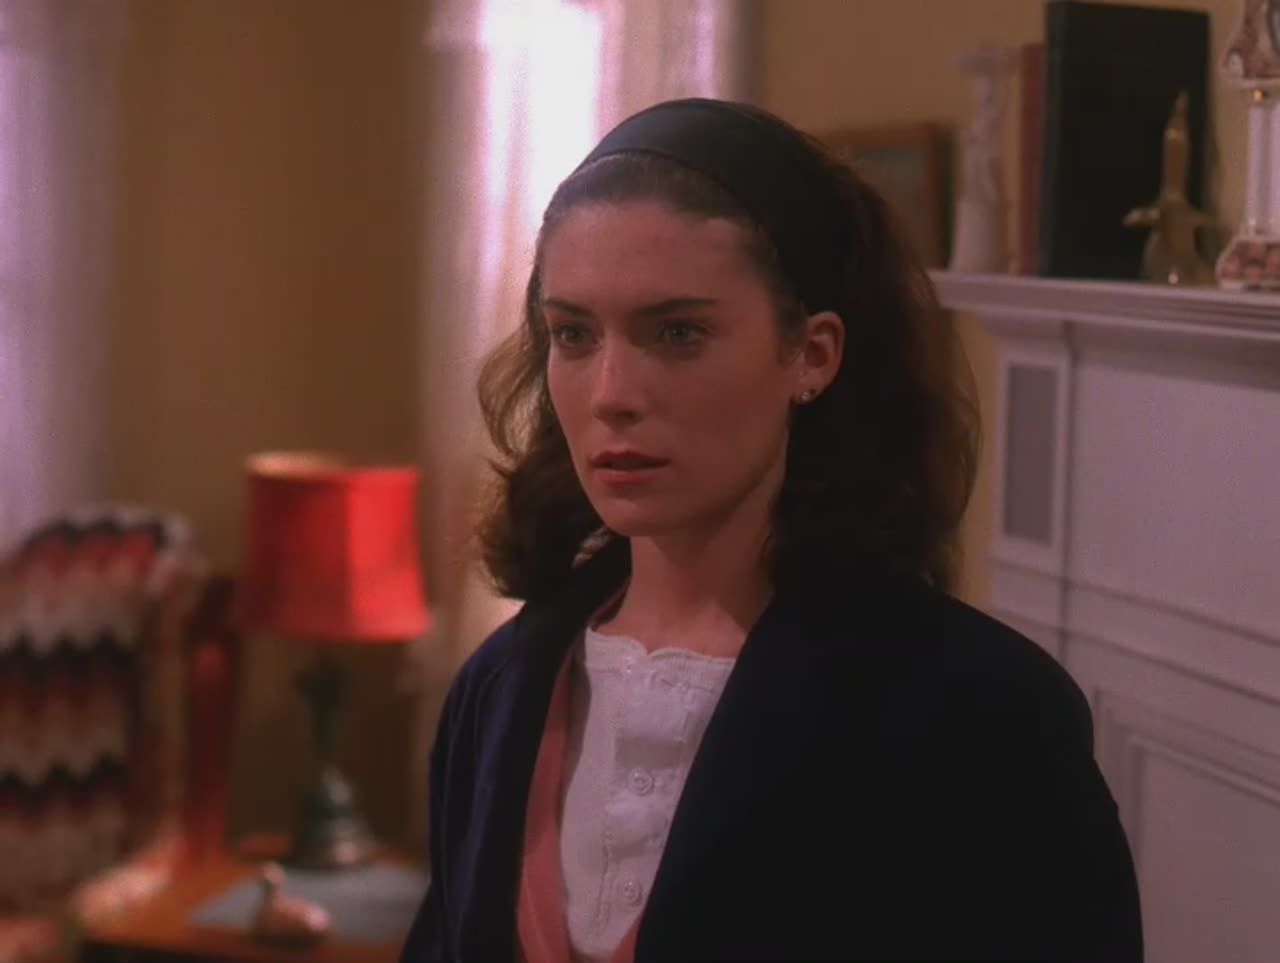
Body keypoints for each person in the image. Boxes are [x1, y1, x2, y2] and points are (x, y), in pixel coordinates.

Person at [399, 98, 1143, 962]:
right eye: (574, 334)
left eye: (678, 332)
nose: (611, 394)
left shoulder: (980, 713)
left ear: (812, 354)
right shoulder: (499, 687)